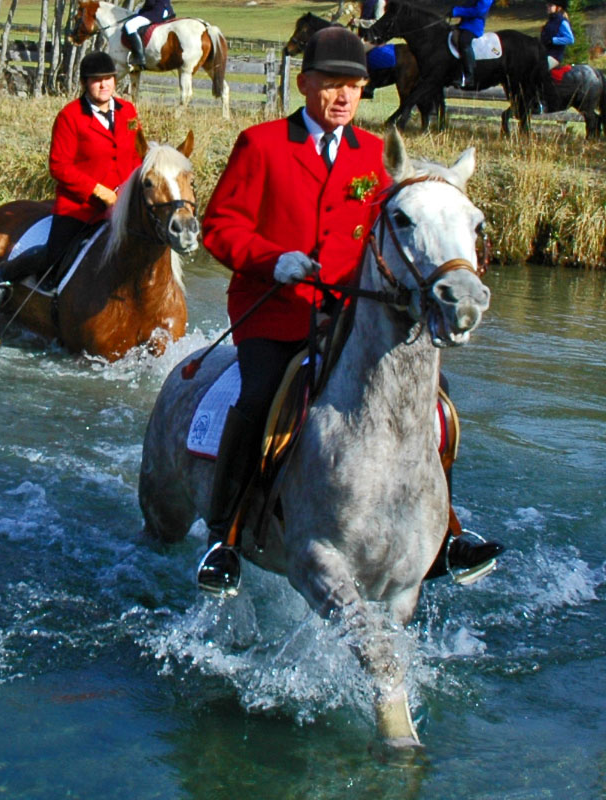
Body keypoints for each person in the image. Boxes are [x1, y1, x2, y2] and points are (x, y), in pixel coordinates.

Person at [195, 27, 503, 597]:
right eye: (332, 84)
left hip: (353, 314)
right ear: (304, 83)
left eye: (355, 86)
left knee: (436, 406)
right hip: (279, 310)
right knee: (261, 395)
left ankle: (445, 534)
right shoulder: (261, 144)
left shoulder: (374, 156)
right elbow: (219, 227)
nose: (342, 97)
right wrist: (271, 259)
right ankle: (227, 535)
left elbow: (403, 234)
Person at [0, 51, 143, 309]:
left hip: (122, 204)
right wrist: (96, 190)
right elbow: (59, 165)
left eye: (109, 79)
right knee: (55, 257)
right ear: (84, 83)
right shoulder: (70, 116)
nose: (104, 85)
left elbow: (136, 154)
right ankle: (4, 273)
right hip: (80, 206)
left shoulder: (128, 112)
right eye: (96, 80)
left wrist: (130, 188)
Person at [452, 0, 494, 89]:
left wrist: (456, 11)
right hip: (463, 25)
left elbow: (478, 11)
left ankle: (469, 76)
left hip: (474, 27)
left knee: (464, 42)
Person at [121, 0, 174, 69]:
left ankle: (140, 57)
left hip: (155, 12)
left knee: (130, 26)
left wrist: (140, 11)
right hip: (167, 10)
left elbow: (150, 3)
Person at [541, 0, 574, 69]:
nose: (547, 7)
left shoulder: (562, 21)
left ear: (558, 8)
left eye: (550, 5)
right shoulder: (550, 21)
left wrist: (553, 40)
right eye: (547, 5)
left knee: (541, 69)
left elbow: (570, 39)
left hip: (555, 56)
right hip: (546, 54)